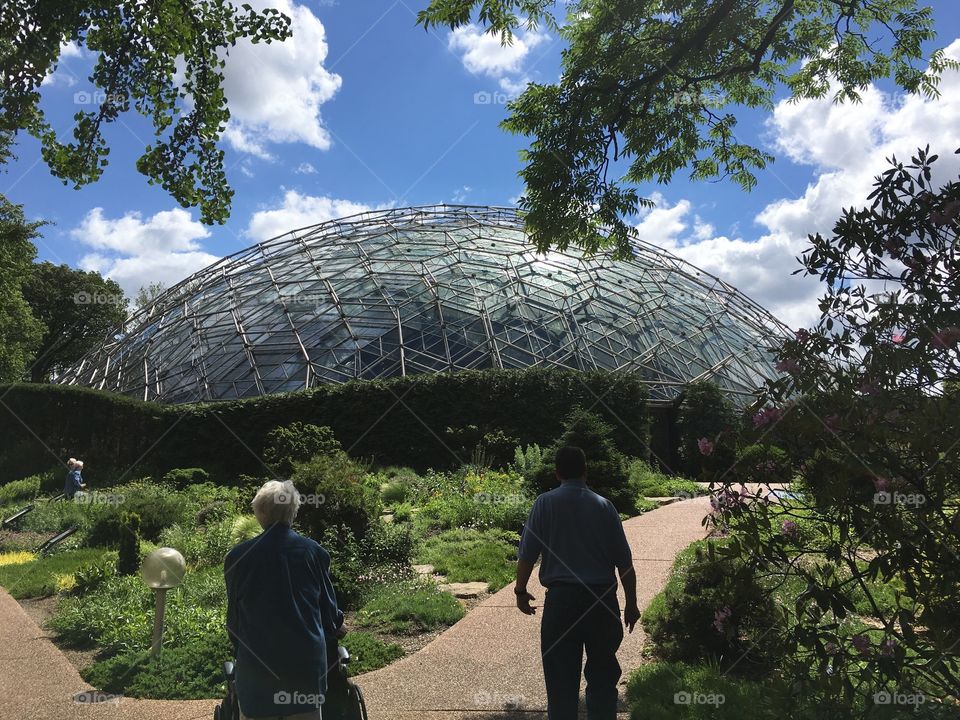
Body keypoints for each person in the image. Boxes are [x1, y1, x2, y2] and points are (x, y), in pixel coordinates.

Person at [515, 446, 640, 720]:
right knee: (603, 677)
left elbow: (527, 555)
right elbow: (624, 562)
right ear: (585, 471)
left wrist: (520, 590)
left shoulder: (544, 504)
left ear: (557, 473)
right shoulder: (605, 506)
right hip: (602, 601)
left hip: (561, 603)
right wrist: (631, 603)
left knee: (560, 682)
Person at [225, 480, 345, 720]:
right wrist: (338, 625)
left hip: (257, 671)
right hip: (305, 671)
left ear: (261, 513)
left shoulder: (237, 558)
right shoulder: (314, 553)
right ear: (293, 511)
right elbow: (328, 612)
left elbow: (234, 618)